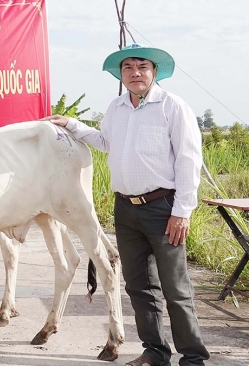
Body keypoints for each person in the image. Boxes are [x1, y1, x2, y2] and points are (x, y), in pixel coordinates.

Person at [43, 44, 209, 366]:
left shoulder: (172, 107)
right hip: (126, 209)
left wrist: (182, 212)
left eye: (142, 67)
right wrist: (72, 124)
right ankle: (155, 352)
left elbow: (189, 160)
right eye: (128, 68)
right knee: (138, 287)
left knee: (176, 289)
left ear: (154, 71)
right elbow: (106, 142)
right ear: (120, 75)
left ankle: (193, 358)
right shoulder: (117, 108)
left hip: (164, 208)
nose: (135, 73)